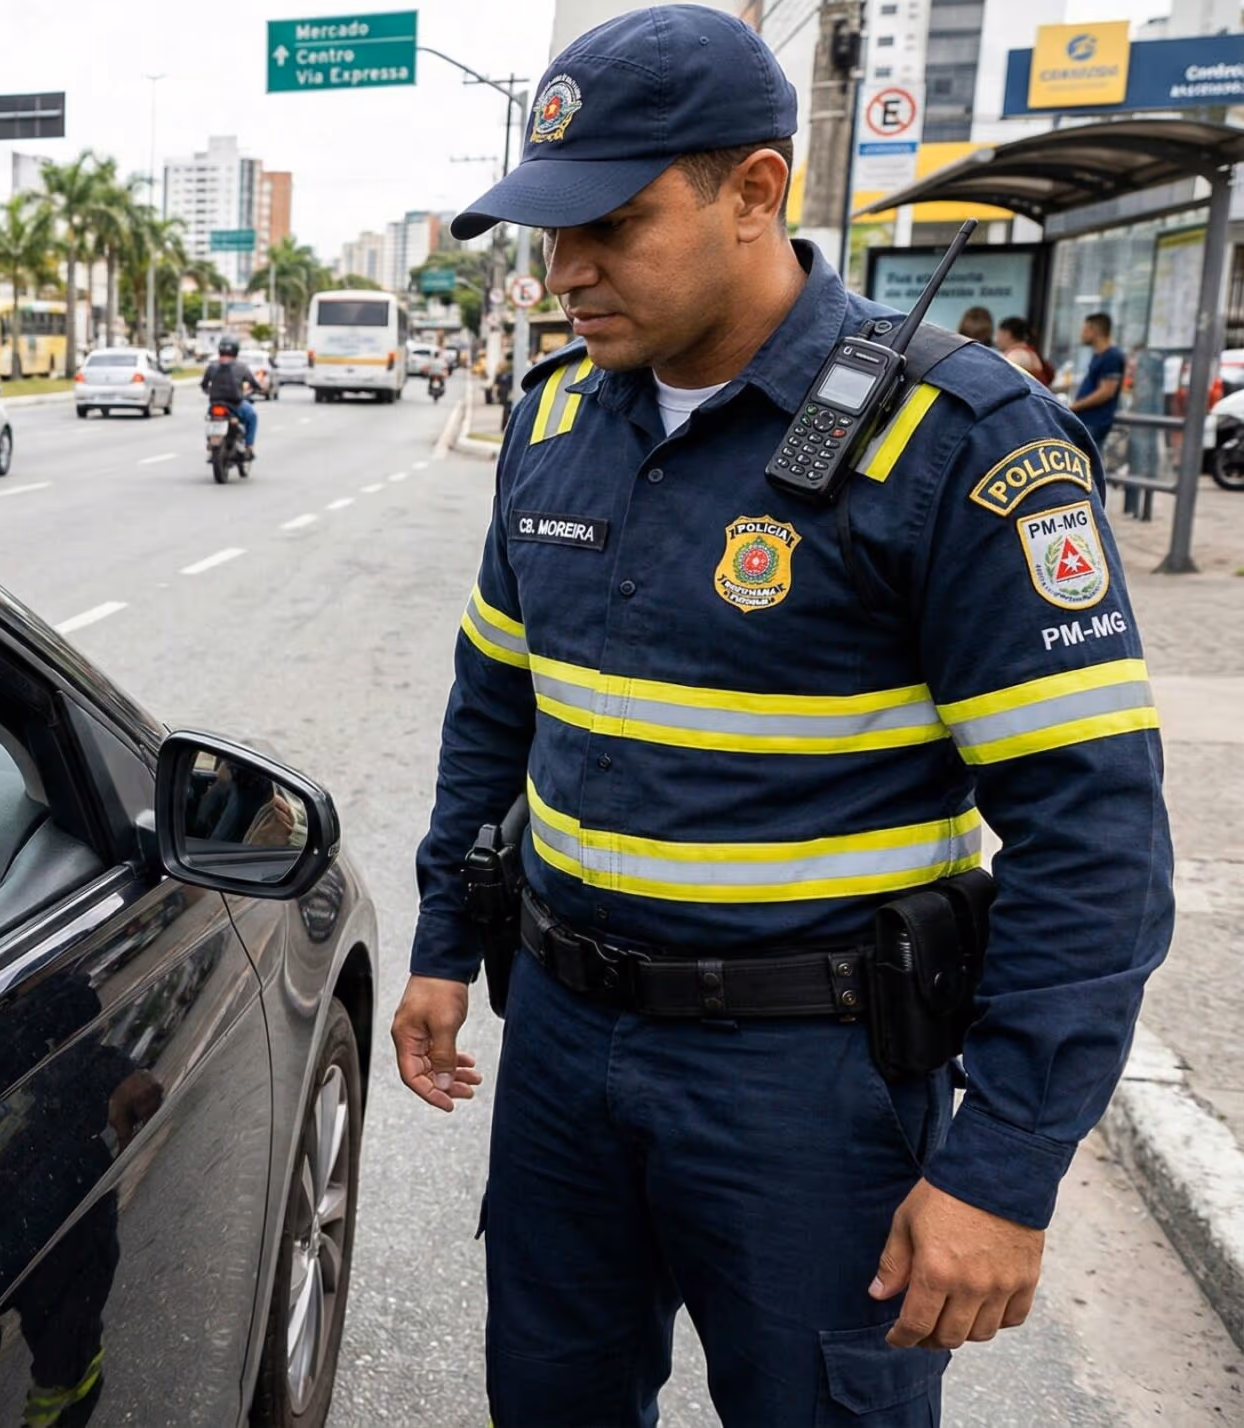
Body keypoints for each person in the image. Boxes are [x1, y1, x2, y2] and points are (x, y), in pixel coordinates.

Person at [398, 8, 1172, 1424]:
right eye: (549, 233)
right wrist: (446, 942)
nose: (565, 273)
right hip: (562, 1045)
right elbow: (492, 706)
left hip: (808, 1086)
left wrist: (1002, 1167)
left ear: (755, 190)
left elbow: (1093, 838)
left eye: (612, 225)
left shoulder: (955, 441)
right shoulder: (555, 420)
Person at [199, 336, 267, 455]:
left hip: (215, 405)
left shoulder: (212, 366)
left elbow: (204, 385)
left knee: (211, 418)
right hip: (235, 405)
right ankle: (249, 446)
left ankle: (211, 442)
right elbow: (254, 384)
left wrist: (210, 391)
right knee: (252, 416)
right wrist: (260, 389)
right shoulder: (241, 367)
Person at [1071, 311, 1127, 446]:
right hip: (1086, 420)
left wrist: (1075, 406)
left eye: (1085, 330)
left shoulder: (1112, 356)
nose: (1082, 334)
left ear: (1094, 331)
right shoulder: (1098, 355)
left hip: (1095, 422)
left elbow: (1106, 391)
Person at [996, 316, 1054, 387]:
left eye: (998, 335)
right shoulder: (1030, 353)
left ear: (1007, 334)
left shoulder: (1016, 356)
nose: (996, 340)